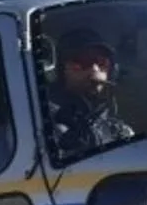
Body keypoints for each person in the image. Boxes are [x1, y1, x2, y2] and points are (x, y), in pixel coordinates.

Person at [46, 28, 135, 159]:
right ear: (61, 69)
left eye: (101, 62)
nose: (94, 69)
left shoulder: (114, 126)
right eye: (82, 62)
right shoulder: (43, 117)